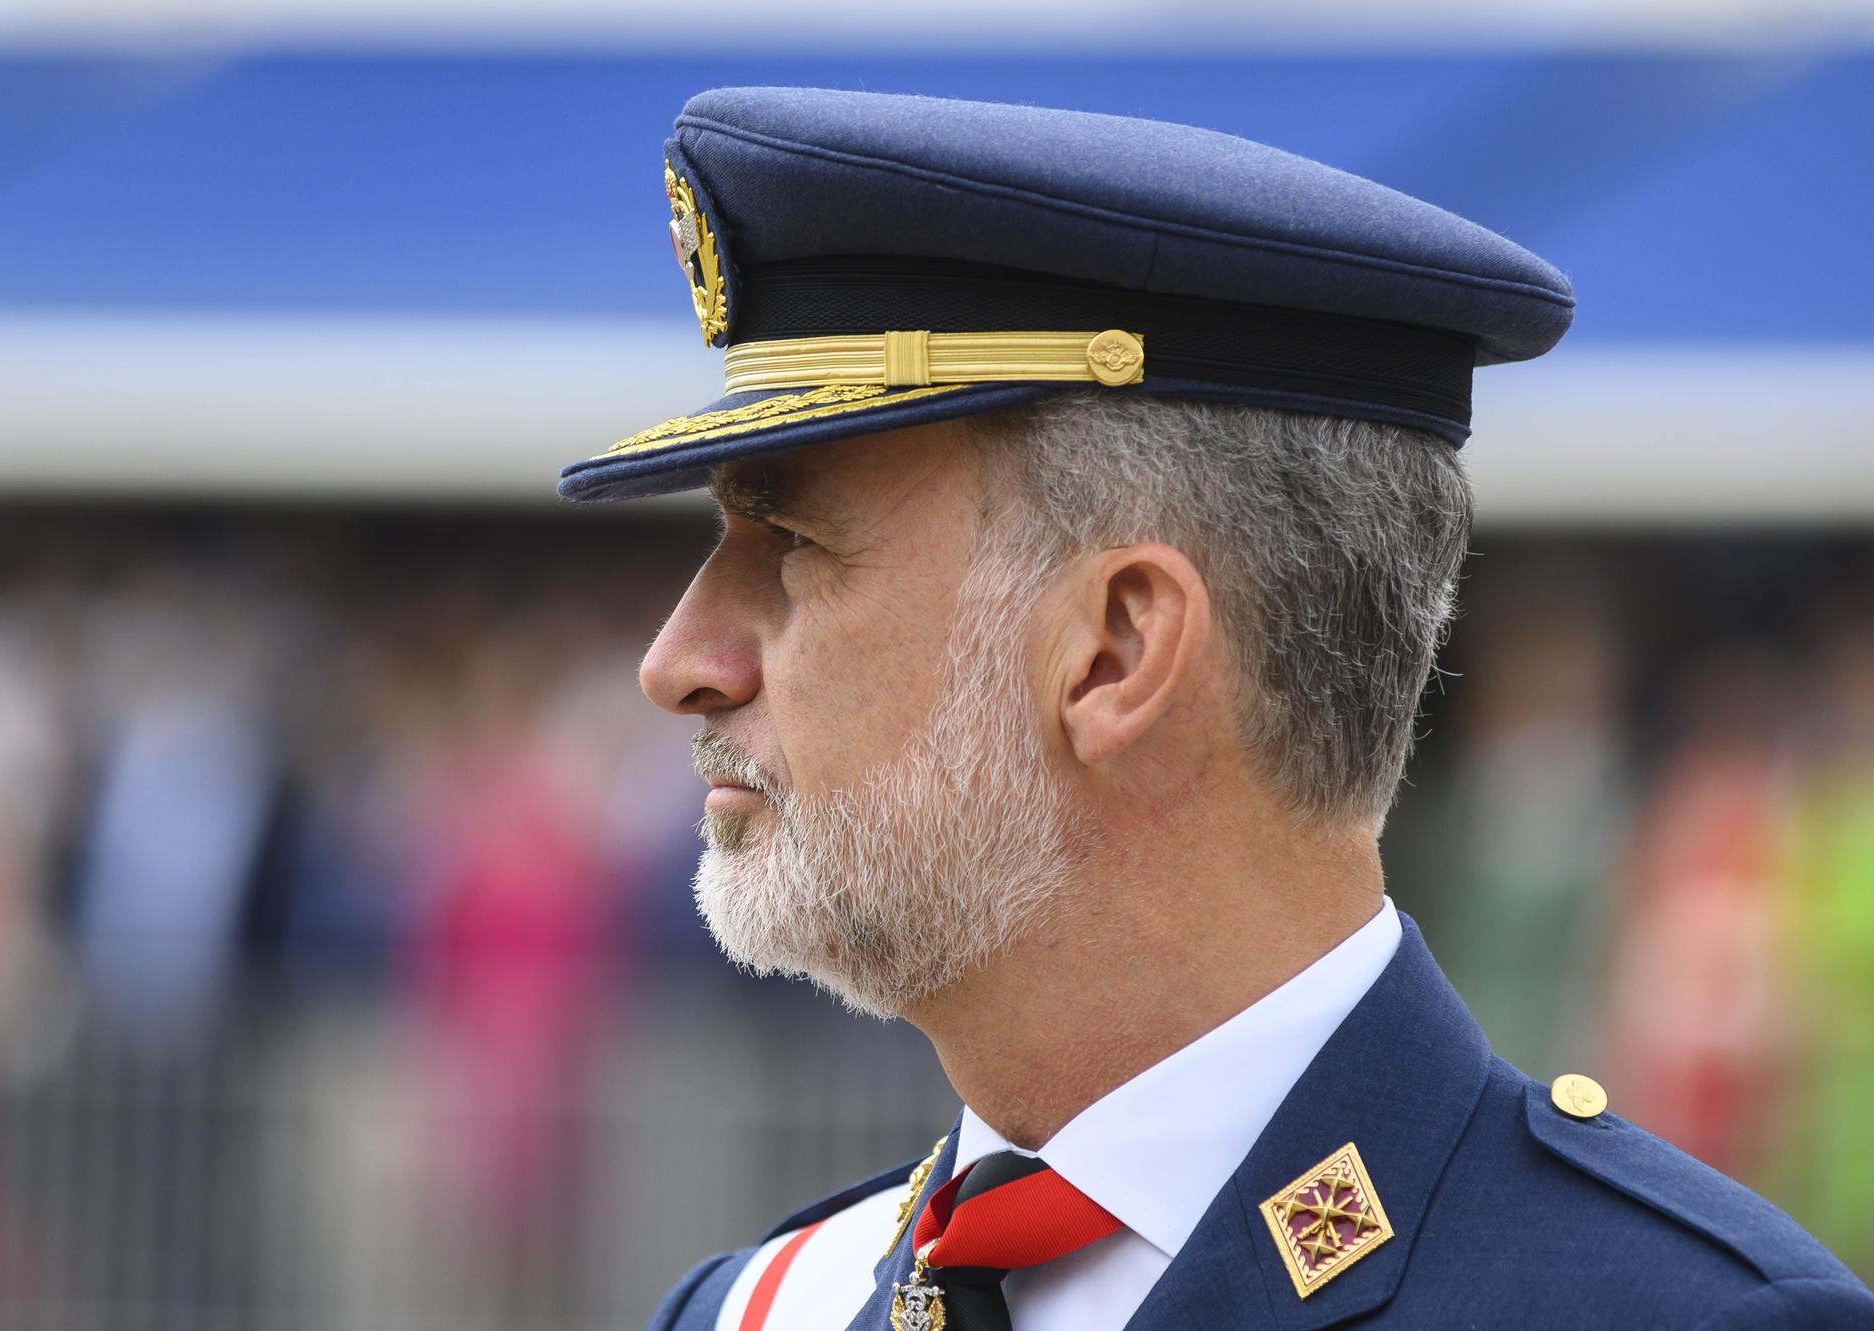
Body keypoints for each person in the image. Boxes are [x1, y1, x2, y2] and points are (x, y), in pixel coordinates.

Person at [556, 88, 1874, 1330]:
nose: (679, 661)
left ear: (1119, 648)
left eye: (788, 544)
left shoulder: (1667, 1313)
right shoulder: (762, 1307)